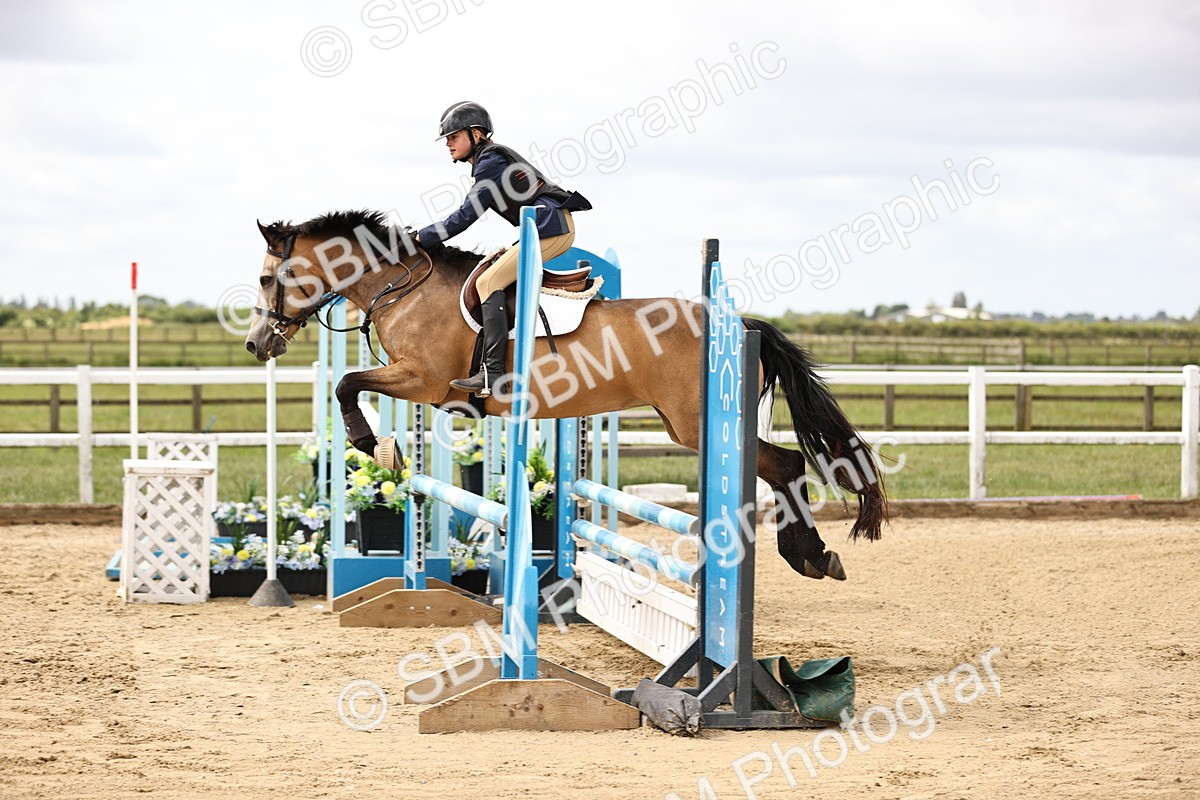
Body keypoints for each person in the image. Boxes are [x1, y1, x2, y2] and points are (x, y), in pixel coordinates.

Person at [415, 101, 591, 397]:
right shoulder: (489, 161)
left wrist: (422, 237)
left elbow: (464, 217)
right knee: (490, 271)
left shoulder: (491, 162)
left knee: (487, 281)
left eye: (453, 136)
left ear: (476, 134)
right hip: (542, 227)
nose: (448, 144)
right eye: (447, 138)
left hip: (550, 228)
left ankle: (492, 375)